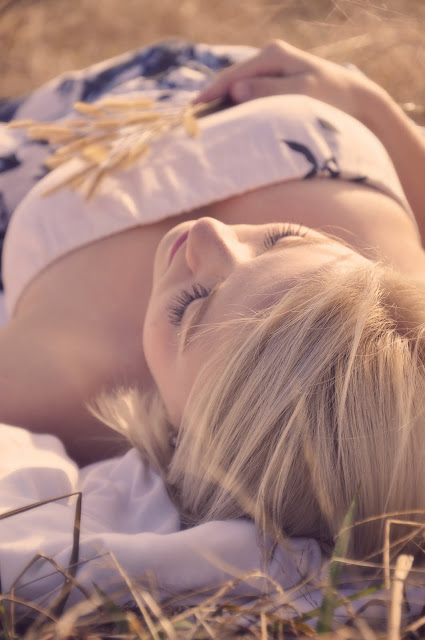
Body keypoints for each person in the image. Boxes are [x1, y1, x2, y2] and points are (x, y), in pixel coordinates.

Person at [1, 39, 425, 564]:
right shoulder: (398, 322)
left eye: (192, 306)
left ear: (180, 437)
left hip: (55, 118)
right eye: (286, 239)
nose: (207, 233)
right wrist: (369, 106)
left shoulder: (46, 384)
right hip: (250, 63)